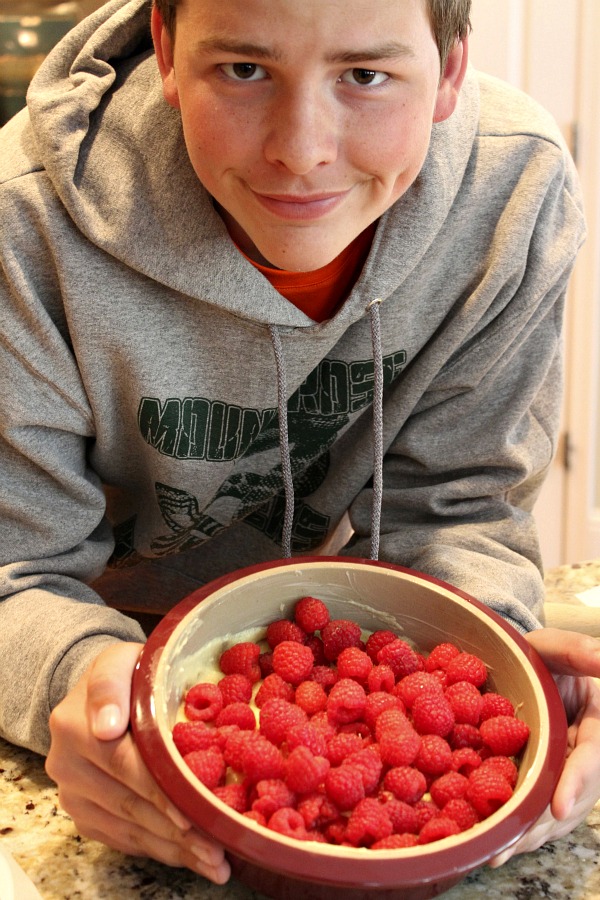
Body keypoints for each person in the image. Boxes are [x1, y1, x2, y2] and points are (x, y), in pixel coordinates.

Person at [0, 0, 598, 886]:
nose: (301, 150)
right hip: (103, 655)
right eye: (244, 70)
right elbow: (13, 571)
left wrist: (483, 681)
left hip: (340, 668)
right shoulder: (24, 225)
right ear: (165, 49)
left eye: (366, 75)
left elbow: (461, 506)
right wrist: (79, 681)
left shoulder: (511, 195)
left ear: (451, 69)